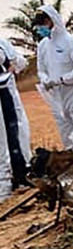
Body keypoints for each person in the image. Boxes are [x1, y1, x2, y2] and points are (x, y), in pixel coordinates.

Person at [33, 5, 73, 148]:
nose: (41, 28)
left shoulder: (72, 42)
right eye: (39, 25)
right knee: (68, 142)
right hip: (57, 101)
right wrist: (45, 80)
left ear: (53, 20)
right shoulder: (42, 46)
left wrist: (62, 80)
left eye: (44, 23)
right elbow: (41, 70)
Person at [0, 37, 31, 195]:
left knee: (16, 133)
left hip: (7, 93)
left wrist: (12, 64)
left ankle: (22, 173)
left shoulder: (2, 43)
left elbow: (21, 62)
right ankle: (4, 185)